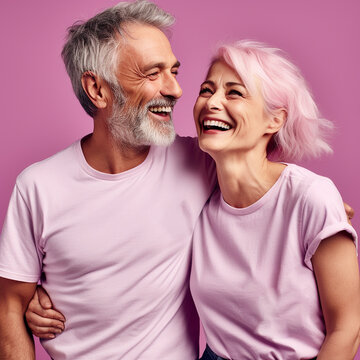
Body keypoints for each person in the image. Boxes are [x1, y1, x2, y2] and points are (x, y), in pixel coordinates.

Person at [0, 1, 216, 359]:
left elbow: (271, 187)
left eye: (174, 71)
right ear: (97, 90)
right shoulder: (37, 186)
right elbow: (9, 307)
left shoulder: (203, 163)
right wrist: (25, 301)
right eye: (152, 74)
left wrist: (317, 203)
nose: (176, 89)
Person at [189, 40, 360, 359]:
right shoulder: (194, 200)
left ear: (275, 120)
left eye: (234, 92)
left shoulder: (311, 198)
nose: (212, 102)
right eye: (206, 90)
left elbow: (347, 329)